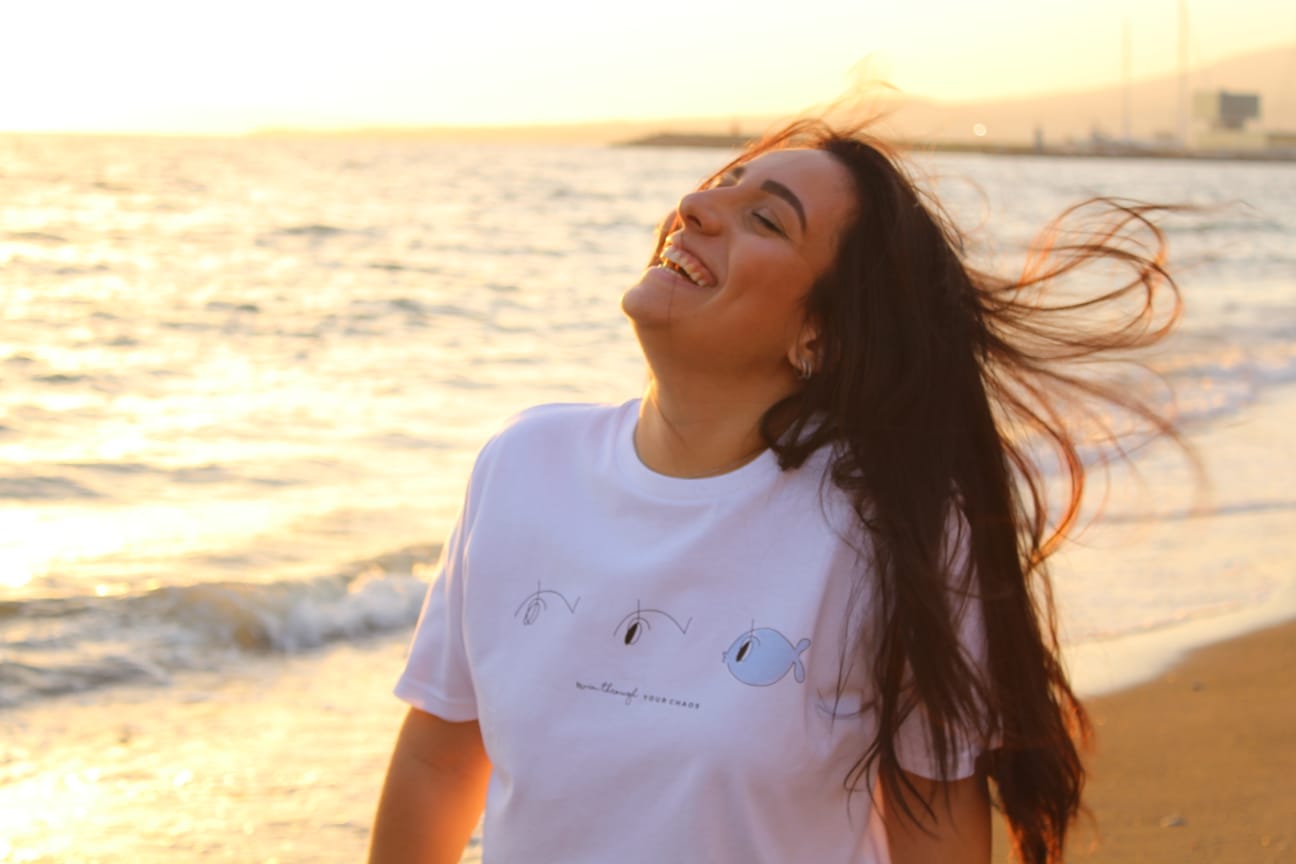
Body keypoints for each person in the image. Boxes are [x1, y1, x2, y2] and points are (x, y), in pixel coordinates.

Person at [368, 118, 1180, 864]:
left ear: (819, 332)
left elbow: (931, 813)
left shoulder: (889, 531)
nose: (694, 207)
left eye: (765, 219)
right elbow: (441, 759)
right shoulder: (523, 465)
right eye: (721, 184)